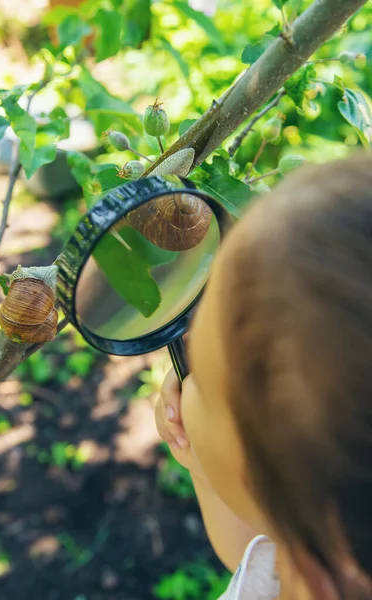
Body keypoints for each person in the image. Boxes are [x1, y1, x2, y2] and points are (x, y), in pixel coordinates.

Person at [154, 152, 372, 600]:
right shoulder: (331, 556)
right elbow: (254, 554)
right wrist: (201, 462)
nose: (187, 382)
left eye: (208, 391)